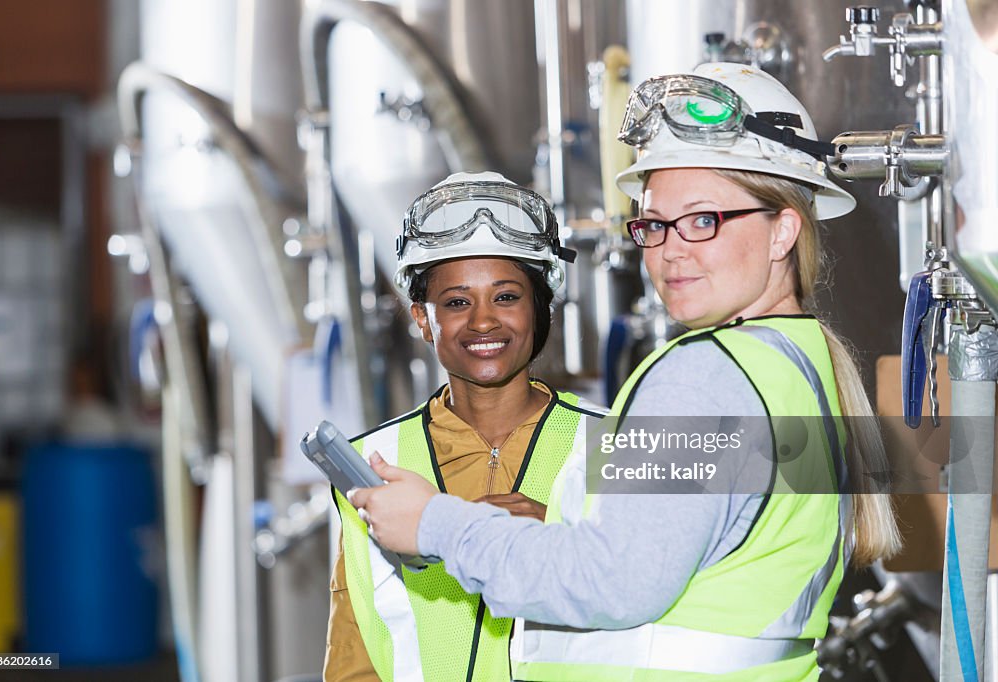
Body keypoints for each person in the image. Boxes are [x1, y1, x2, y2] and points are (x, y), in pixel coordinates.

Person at [349, 63, 901, 681]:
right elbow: (689, 552)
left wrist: (436, 524)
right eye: (654, 225)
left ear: (783, 232)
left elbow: (612, 584)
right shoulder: (800, 366)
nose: (671, 251)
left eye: (703, 220)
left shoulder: (705, 377)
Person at [324, 171, 605, 681]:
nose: (482, 321)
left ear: (543, 307)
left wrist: (564, 542)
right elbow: (357, 650)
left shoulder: (619, 444)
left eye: (507, 297)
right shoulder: (370, 464)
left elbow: (791, 460)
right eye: (456, 302)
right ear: (422, 319)